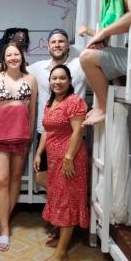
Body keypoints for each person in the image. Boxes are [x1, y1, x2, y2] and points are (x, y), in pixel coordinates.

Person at [0, 41, 38, 251]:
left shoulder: (30, 79)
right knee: (2, 180)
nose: (13, 58)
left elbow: (32, 111)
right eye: (9, 55)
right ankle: (5, 229)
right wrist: (11, 107)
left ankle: (4, 220)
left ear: (22, 57)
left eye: (16, 54)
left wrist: (30, 136)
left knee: (14, 179)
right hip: (0, 135)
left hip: (22, 136)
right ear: (3, 59)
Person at [33, 65, 88, 261]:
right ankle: (61, 237)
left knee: (67, 201)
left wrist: (68, 158)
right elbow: (46, 131)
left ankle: (62, 252)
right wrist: (39, 153)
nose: (57, 82)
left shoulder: (74, 102)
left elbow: (77, 132)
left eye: (62, 78)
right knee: (57, 196)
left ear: (69, 81)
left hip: (70, 159)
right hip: (55, 159)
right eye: (54, 78)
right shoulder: (51, 102)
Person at [27, 28, 86, 190]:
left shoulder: (80, 65)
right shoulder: (39, 68)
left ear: (68, 45)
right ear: (48, 46)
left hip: (72, 132)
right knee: (41, 176)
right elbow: (16, 69)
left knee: (70, 174)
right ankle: (59, 202)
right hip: (46, 130)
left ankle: (63, 209)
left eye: (61, 41)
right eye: (53, 42)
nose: (57, 45)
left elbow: (99, 58)